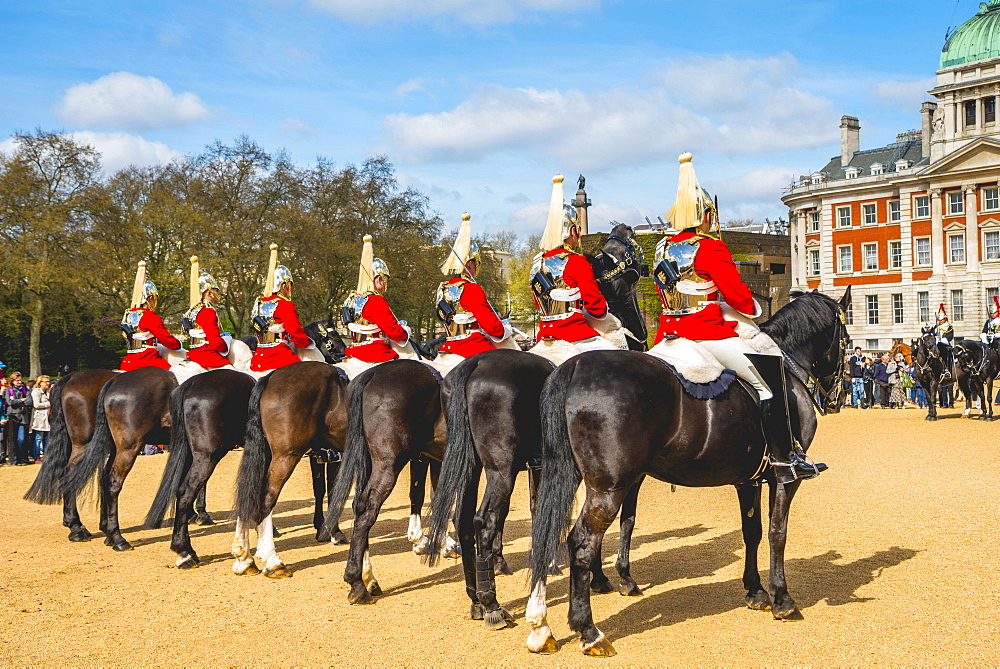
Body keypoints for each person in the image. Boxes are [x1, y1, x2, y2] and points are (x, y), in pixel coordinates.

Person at [650, 152, 824, 484]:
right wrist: (751, 309)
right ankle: (784, 457)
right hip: (705, 332)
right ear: (704, 214)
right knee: (767, 380)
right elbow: (738, 297)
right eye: (710, 215)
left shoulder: (663, 250)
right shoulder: (710, 248)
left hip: (668, 335)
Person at [528, 174, 620, 363]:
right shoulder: (576, 261)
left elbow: (539, 304)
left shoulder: (537, 263)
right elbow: (597, 308)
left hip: (544, 338)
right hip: (575, 336)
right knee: (621, 360)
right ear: (572, 231)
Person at [433, 213, 513, 374]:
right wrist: (505, 330)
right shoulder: (471, 288)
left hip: (448, 345)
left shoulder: (442, 288)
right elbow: (492, 328)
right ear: (470, 263)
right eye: (476, 263)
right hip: (473, 348)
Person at [337, 235, 413, 379]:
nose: (385, 286)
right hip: (374, 353)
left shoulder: (353, 298)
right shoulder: (376, 300)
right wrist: (406, 331)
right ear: (378, 280)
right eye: (385, 280)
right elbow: (394, 332)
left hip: (353, 351)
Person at [249, 245, 320, 374]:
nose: (289, 289)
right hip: (278, 357)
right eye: (289, 285)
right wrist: (305, 343)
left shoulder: (259, 303)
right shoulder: (284, 304)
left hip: (258, 358)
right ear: (283, 285)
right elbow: (296, 332)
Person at [120, 262, 182, 371]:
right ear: (149, 298)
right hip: (148, 361)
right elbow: (168, 341)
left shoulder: (128, 314)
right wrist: (178, 344)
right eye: (154, 298)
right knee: (176, 378)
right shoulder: (149, 316)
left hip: (128, 362)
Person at [4, 372, 32, 465]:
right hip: (13, 417)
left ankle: (22, 458)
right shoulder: (9, 390)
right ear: (12, 381)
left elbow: (29, 402)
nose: (19, 382)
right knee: (13, 439)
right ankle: (15, 459)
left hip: (23, 417)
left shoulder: (25, 390)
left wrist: (18, 402)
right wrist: (21, 400)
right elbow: (10, 402)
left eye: (20, 380)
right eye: (17, 380)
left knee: (22, 439)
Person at [30, 375, 51, 463]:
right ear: (40, 383)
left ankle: (46, 455)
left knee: (47, 438)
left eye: (48, 381)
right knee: (38, 438)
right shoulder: (36, 392)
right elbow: (36, 405)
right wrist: (49, 403)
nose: (48, 383)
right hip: (39, 418)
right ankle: (37, 456)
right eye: (45, 381)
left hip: (48, 417)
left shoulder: (49, 392)